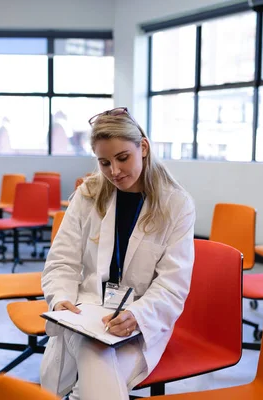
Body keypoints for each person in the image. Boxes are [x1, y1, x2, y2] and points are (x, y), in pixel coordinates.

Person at [40, 107, 196, 400]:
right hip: (84, 313)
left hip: (141, 320)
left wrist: (137, 315)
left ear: (144, 148)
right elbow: (63, 259)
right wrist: (60, 298)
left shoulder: (177, 204)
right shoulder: (88, 195)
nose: (114, 171)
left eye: (123, 158)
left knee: (89, 373)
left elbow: (172, 285)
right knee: (91, 352)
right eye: (104, 162)